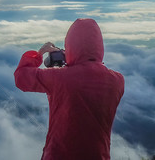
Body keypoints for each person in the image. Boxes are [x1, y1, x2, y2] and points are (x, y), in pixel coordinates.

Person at [14, 18, 124, 160]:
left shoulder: (59, 78)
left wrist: (40, 53)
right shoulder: (117, 81)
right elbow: (90, 76)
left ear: (70, 44)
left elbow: (21, 78)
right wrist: (75, 60)